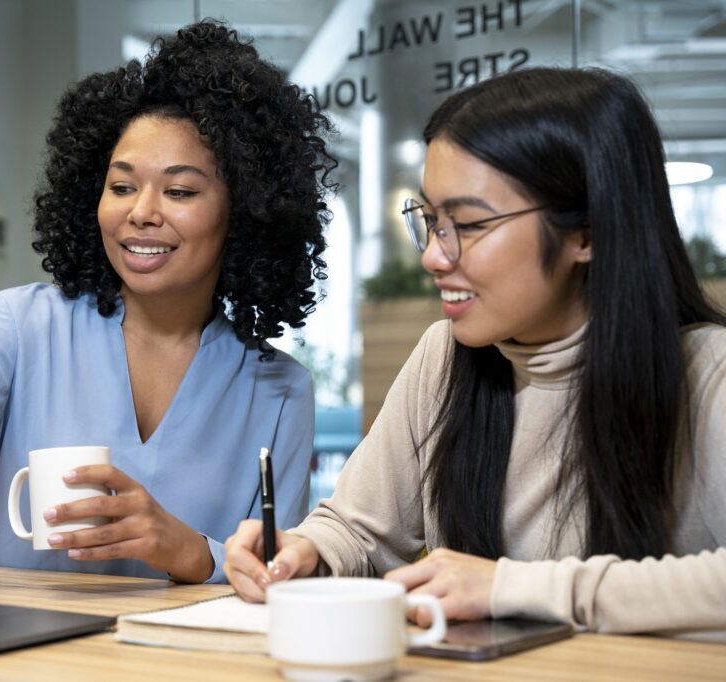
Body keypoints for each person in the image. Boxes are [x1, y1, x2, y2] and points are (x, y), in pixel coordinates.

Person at [224, 66, 726, 639]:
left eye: (467, 223)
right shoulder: (445, 358)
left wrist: (511, 588)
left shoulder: (706, 375)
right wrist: (303, 552)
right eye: (433, 222)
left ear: (585, 232)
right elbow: (360, 530)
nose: (436, 257)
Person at [0, 20, 337, 585]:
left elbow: (279, 570)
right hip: (15, 660)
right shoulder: (18, 327)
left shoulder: (281, 391)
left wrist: (193, 552)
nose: (140, 211)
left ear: (245, 213)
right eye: (121, 186)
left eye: (180, 191)